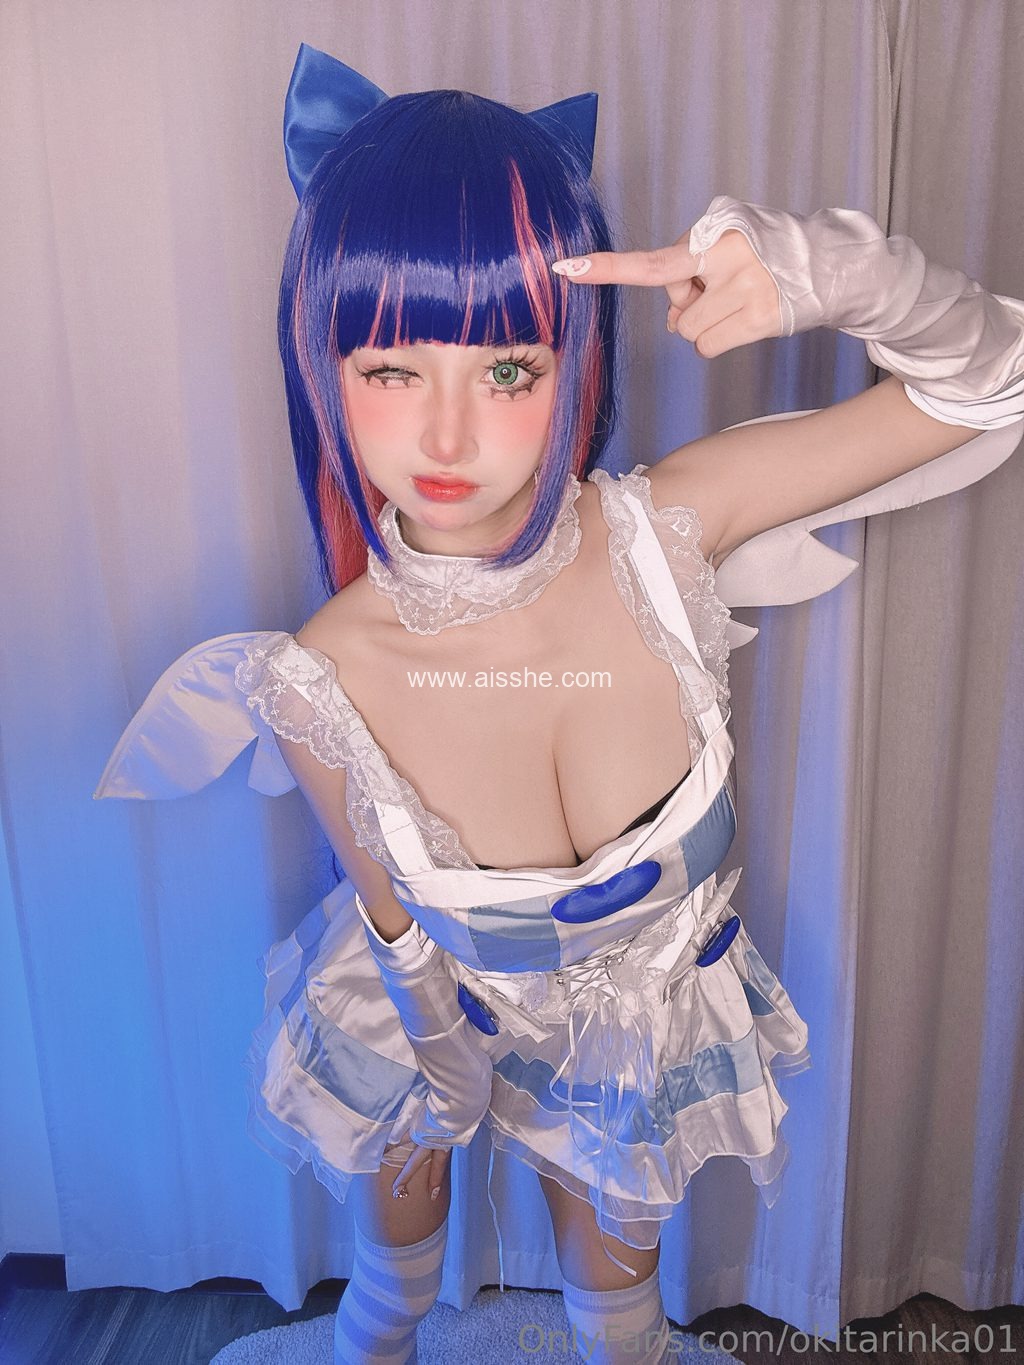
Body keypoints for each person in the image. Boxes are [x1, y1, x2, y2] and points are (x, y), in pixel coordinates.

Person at [94, 42, 1024, 1365]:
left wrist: (836, 272)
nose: (447, 439)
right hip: (428, 1017)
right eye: (391, 369)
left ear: (573, 357)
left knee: (622, 1324)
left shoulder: (668, 538)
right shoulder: (314, 675)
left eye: (507, 370)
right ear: (321, 367)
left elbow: (994, 387)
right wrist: (443, 1067)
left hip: (633, 1034)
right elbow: (392, 923)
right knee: (387, 1298)